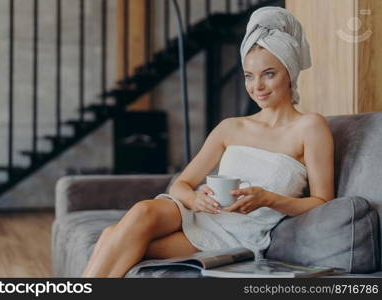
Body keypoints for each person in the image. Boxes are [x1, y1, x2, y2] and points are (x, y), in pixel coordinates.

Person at [81, 6, 334, 278]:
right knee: (143, 210)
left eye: (269, 74)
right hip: (195, 213)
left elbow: (322, 201)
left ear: (291, 73)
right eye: (249, 76)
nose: (257, 86)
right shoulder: (231, 127)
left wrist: (269, 199)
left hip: (235, 235)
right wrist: (195, 199)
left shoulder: (310, 127)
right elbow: (180, 185)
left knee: (112, 236)